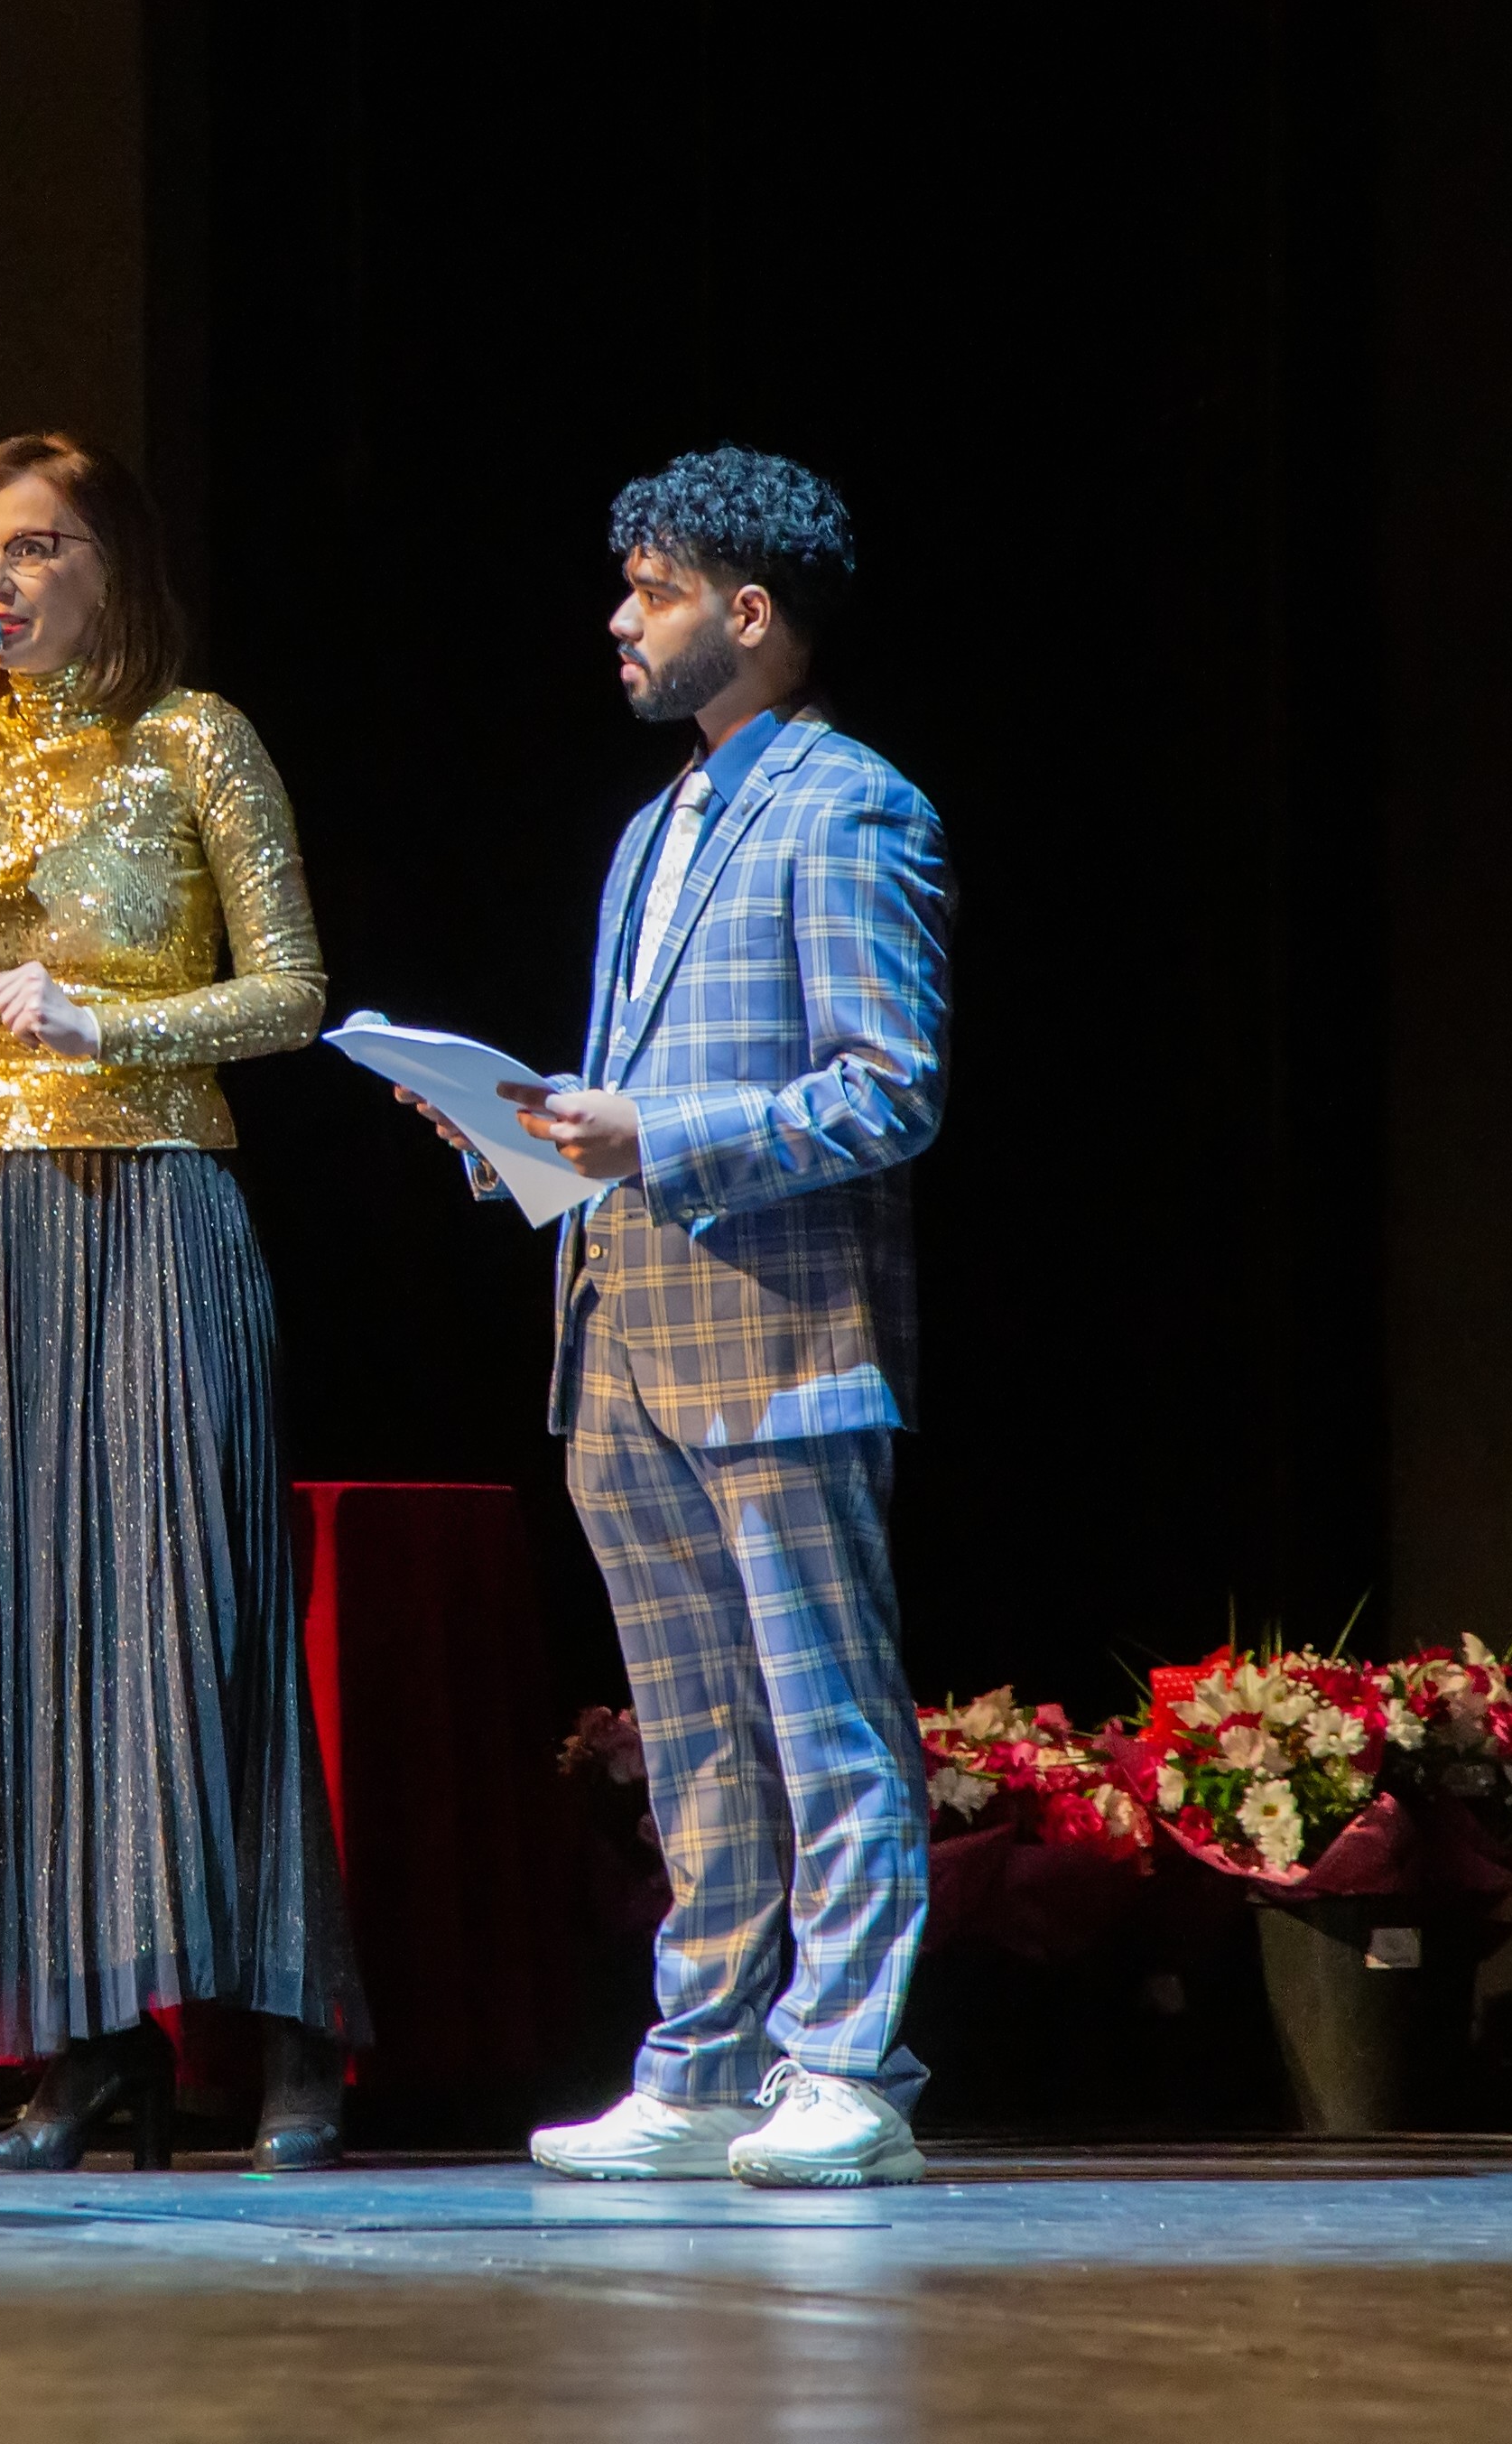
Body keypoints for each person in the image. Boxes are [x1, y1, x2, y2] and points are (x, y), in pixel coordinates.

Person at [0, 430, 366, 2174]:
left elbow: (293, 993)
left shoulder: (193, 736)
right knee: (20, 1615)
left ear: (111, 565)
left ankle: (287, 2032)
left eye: (36, 546)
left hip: (157, 1189)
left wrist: (109, 1025)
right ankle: (86, 2041)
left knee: (192, 1602)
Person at [400, 445, 950, 2187]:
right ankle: (702, 2060)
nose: (620, 619)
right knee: (693, 1729)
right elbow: (628, 1101)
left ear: (751, 611)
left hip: (777, 1340)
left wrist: (655, 1132)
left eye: (654, 590)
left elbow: (888, 1088)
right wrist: (515, 1135)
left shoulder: (850, 804)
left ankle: (847, 2061)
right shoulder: (654, 828)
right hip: (622, 1332)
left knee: (821, 1715)